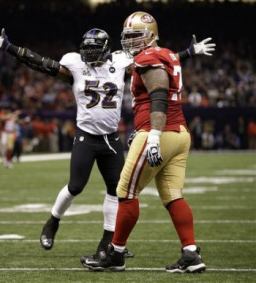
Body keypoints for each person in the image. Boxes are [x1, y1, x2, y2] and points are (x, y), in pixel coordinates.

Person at [0, 25, 215, 263]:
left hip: (112, 137)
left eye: (94, 49)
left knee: (116, 190)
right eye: (87, 49)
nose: (89, 53)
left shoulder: (121, 63)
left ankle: (108, 243)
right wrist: (8, 47)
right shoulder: (75, 65)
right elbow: (42, 63)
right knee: (76, 185)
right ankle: (53, 221)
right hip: (87, 136)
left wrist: (188, 52)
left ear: (105, 49)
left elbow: (155, 66)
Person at [83, 11, 215, 273]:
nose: (130, 42)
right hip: (179, 133)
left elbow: (159, 95)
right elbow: (174, 60)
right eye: (128, 37)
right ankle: (190, 254)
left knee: (125, 192)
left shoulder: (150, 57)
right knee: (172, 196)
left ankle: (116, 254)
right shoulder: (167, 55)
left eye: (136, 36)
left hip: (161, 132)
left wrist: (152, 135)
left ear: (151, 36)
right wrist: (190, 50)